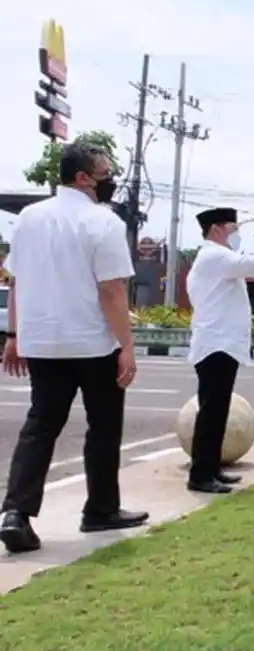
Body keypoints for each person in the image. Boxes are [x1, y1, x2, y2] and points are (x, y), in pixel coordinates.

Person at [0, 141, 148, 553]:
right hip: (91, 341)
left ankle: (16, 513)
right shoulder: (104, 222)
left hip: (43, 340)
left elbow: (17, 281)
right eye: (104, 172)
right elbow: (112, 290)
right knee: (103, 426)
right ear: (83, 177)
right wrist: (127, 345)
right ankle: (100, 509)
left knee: (41, 426)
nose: (110, 180)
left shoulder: (28, 218)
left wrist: (14, 336)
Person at [186, 208, 254, 494]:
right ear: (216, 229)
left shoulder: (218, 259)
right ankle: (201, 475)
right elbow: (252, 265)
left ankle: (211, 468)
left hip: (222, 345)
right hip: (215, 345)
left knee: (217, 411)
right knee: (211, 412)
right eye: (232, 227)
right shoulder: (214, 256)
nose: (236, 233)